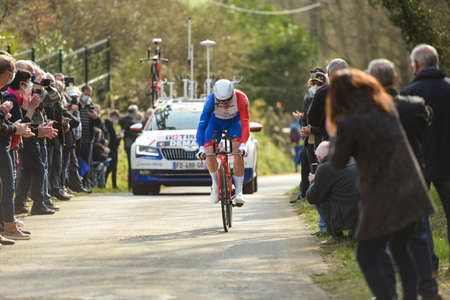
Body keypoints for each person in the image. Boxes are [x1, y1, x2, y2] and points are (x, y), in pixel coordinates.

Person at [326, 68, 435, 300]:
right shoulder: (387, 109)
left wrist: (332, 131)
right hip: (411, 189)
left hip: (381, 196)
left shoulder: (349, 121)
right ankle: (408, 296)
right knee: (401, 249)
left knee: (366, 254)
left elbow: (337, 162)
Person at [368, 58, 442, 299]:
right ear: (396, 80)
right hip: (412, 179)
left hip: (381, 184)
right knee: (419, 237)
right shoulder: (414, 107)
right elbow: (426, 125)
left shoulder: (365, 113)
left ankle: (390, 292)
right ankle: (427, 289)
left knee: (384, 243)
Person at [401, 44, 450, 267]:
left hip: (420, 164)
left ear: (417, 65)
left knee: (419, 216)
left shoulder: (409, 94)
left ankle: (429, 262)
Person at [196, 79, 249, 205]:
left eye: (228, 101)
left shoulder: (241, 98)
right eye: (221, 102)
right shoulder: (210, 100)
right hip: (216, 123)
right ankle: (215, 184)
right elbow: (202, 125)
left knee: (237, 150)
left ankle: (239, 191)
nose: (224, 104)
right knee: (209, 149)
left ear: (232, 94)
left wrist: (243, 144)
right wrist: (201, 147)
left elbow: (246, 124)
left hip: (234, 122)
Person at [0, 54, 35, 241]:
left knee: (6, 186)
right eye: (11, 72)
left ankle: (7, 224)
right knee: (7, 186)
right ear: (6, 73)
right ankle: (8, 226)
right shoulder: (7, 95)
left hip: (6, 145)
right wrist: (16, 128)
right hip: (3, 146)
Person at [306, 141, 359, 246]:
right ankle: (354, 233)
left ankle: (336, 236)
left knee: (320, 198)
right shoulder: (353, 159)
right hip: (362, 211)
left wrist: (313, 181)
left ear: (320, 158)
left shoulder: (325, 167)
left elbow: (311, 197)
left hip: (344, 214)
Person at [308, 58, 348, 148]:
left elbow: (312, 120)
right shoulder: (357, 91)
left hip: (330, 142)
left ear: (329, 74)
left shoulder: (322, 93)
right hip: (354, 144)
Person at [119, 104, 140, 190]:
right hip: (132, 145)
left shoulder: (123, 120)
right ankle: (132, 184)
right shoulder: (131, 121)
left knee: (131, 165)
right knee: (133, 165)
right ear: (134, 112)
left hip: (127, 145)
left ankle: (130, 185)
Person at [104, 110, 121, 189]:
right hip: (112, 149)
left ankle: (104, 183)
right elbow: (114, 141)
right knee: (113, 168)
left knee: (109, 168)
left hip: (109, 148)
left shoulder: (106, 124)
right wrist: (120, 137)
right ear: (114, 117)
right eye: (116, 118)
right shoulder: (110, 125)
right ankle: (114, 185)